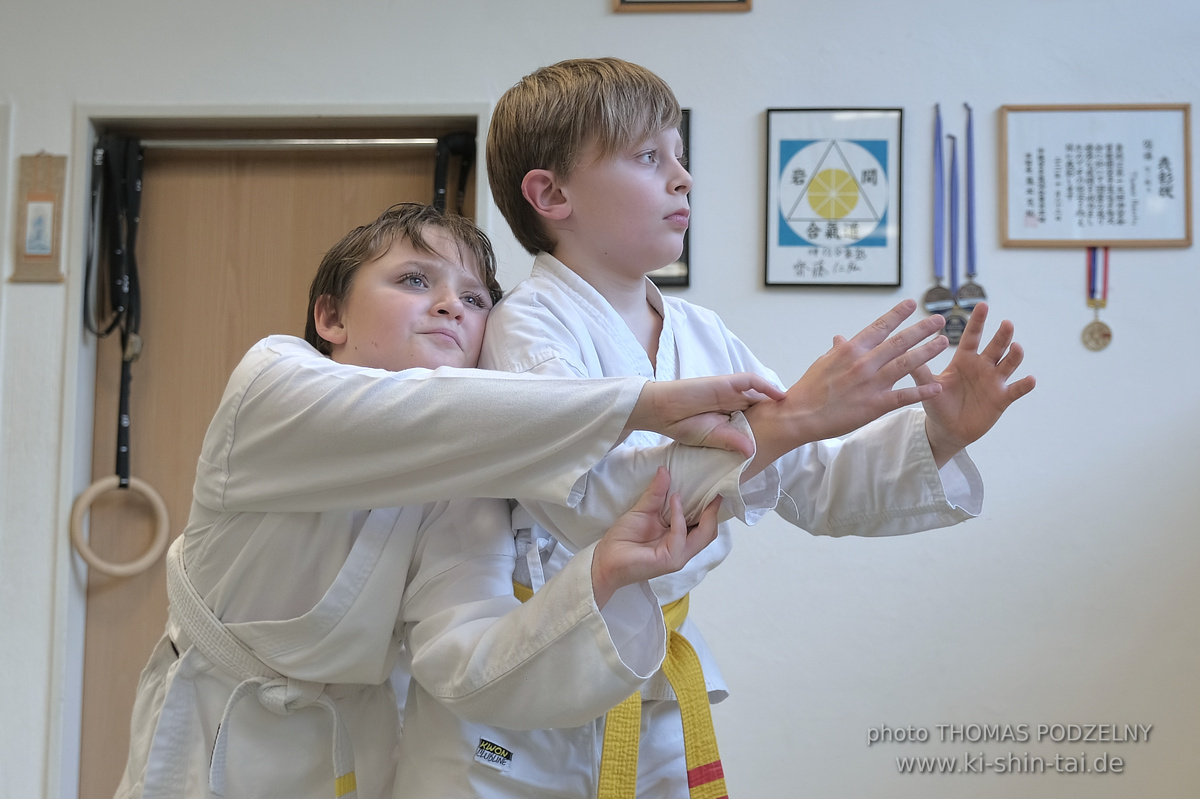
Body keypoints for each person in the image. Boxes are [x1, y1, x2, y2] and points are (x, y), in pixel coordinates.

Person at [393, 58, 1036, 798]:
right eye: (648, 157)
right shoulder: (526, 328)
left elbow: (817, 482)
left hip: (653, 678)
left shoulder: (703, 334)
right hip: (535, 676)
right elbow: (595, 504)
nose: (683, 178)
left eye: (680, 155)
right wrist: (787, 421)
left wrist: (941, 434)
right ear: (552, 194)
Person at [114, 202, 787, 799]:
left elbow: (470, 656)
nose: (450, 306)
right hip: (212, 737)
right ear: (331, 316)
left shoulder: (463, 489)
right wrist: (645, 404)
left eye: (475, 298)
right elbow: (427, 413)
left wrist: (603, 572)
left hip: (359, 748)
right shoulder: (271, 387)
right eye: (415, 280)